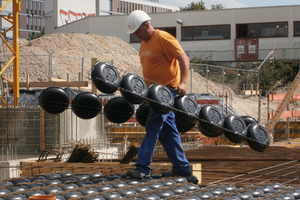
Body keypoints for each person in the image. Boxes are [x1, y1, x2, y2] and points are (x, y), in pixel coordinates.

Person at [126, 10, 192, 179]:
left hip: (166, 92)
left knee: (153, 126)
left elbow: (184, 59)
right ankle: (182, 168)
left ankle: (142, 167)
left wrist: (183, 83)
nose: (137, 35)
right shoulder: (144, 42)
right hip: (153, 94)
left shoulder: (164, 38)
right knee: (168, 131)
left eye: (138, 32)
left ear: (146, 25)